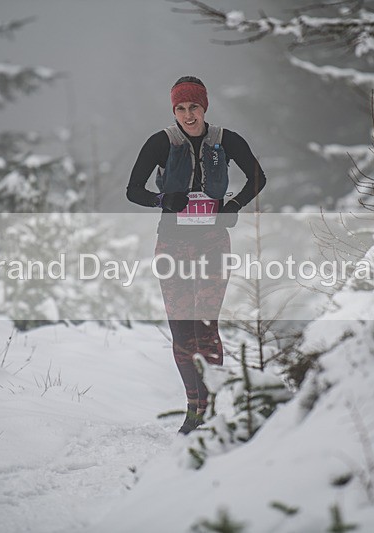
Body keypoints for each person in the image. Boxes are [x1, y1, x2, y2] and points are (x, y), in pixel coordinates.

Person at [126, 76, 266, 434]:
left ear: (205, 107)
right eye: (181, 108)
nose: (188, 115)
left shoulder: (225, 140)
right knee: (181, 331)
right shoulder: (161, 142)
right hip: (171, 243)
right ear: (174, 110)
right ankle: (194, 408)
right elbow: (133, 191)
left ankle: (213, 406)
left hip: (212, 242)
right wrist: (163, 200)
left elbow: (257, 178)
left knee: (206, 326)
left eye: (194, 107)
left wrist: (233, 205)